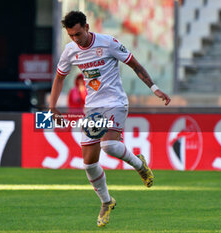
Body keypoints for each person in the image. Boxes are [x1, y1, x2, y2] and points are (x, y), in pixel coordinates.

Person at [49, 11, 171, 227]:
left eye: (78, 34)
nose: (76, 39)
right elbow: (59, 78)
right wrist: (52, 106)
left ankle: (138, 164)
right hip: (93, 109)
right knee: (89, 164)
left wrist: (155, 88)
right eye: (71, 36)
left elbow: (136, 66)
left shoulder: (108, 43)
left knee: (110, 146)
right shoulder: (70, 51)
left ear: (86, 27)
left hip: (115, 101)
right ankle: (106, 201)